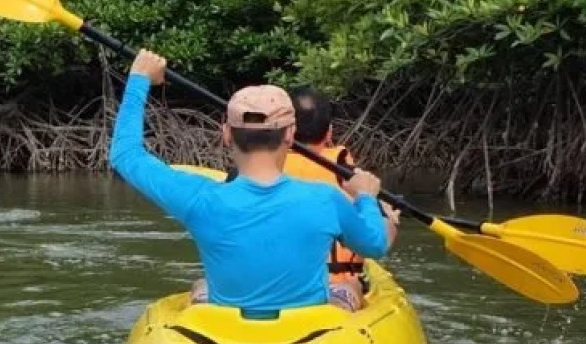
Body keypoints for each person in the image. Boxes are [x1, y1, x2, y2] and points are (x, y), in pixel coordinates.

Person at [108, 50, 389, 314]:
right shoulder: (326, 199)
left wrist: (139, 77)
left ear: (227, 134)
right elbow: (374, 245)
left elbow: (125, 154)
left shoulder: (199, 198)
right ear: (290, 134)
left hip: (228, 330)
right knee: (348, 285)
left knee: (201, 286)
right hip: (308, 330)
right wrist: (365, 196)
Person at [284, 86, 400, 309]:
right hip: (335, 286)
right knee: (353, 285)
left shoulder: (261, 173)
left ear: (285, 132)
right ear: (328, 132)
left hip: (276, 285)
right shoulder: (348, 177)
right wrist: (388, 218)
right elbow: (377, 242)